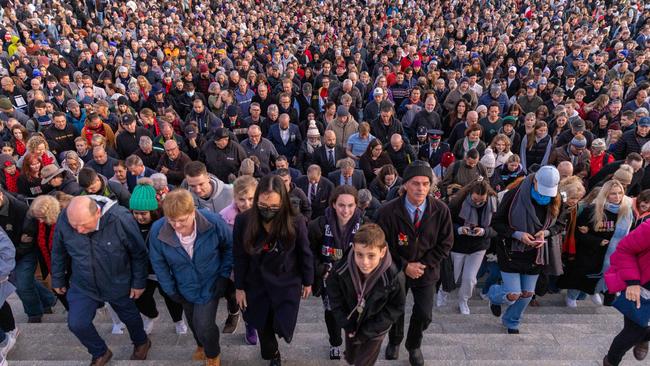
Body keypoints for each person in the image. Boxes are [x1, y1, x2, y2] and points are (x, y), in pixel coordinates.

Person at [51, 196, 151, 365]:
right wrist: (58, 277)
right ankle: (100, 352)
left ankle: (141, 342)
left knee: (130, 316)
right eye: (74, 225)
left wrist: (139, 282)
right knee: (77, 323)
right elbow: (58, 250)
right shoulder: (65, 218)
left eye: (83, 225)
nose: (79, 230)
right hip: (83, 283)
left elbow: (138, 253)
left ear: (98, 213)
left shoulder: (120, 219)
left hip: (117, 281)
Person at [377, 160, 454, 365]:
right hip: (396, 269)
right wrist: (405, 266)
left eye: (425, 184)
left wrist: (423, 265)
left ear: (430, 186)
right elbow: (380, 245)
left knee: (424, 313)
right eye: (415, 183)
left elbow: (446, 243)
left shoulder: (441, 210)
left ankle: (414, 345)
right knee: (396, 310)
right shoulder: (387, 211)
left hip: (426, 271)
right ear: (405, 185)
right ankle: (394, 341)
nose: (420, 188)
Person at [233, 175, 314, 365]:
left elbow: (305, 252)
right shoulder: (244, 220)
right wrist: (239, 287)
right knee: (262, 324)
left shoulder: (296, 220)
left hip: (286, 280)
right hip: (256, 282)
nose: (268, 211)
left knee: (282, 322)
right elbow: (239, 256)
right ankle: (273, 354)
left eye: (274, 207)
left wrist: (308, 280)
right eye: (263, 205)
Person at [149, 189, 233, 365]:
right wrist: (170, 289)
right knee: (193, 321)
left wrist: (224, 276)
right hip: (183, 285)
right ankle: (200, 345)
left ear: (192, 212)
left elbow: (229, 247)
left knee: (204, 324)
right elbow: (159, 263)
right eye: (172, 221)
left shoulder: (213, 222)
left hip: (210, 283)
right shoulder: (158, 230)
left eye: (182, 220)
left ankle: (212, 354)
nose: (177, 226)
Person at [487, 166, 563, 334]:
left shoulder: (556, 197)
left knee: (527, 293)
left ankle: (511, 321)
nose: (545, 196)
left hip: (536, 253)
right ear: (534, 180)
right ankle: (494, 295)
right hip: (511, 251)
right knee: (513, 294)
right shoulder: (513, 195)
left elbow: (560, 224)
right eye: (542, 190)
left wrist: (546, 232)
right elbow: (496, 222)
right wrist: (517, 234)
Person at [326, 223, 406, 366]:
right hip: (351, 322)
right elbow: (335, 298)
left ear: (382, 252)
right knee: (351, 357)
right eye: (359, 255)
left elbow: (396, 307)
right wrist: (346, 323)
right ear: (353, 249)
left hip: (376, 328)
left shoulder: (394, 277)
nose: (365, 262)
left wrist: (367, 331)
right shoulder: (340, 270)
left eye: (371, 255)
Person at [308, 185, 365, 360]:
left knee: (355, 313)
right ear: (333, 204)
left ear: (356, 206)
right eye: (341, 205)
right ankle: (335, 342)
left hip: (356, 281)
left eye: (350, 205)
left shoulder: (365, 225)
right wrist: (322, 269)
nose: (345, 210)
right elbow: (309, 252)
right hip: (329, 280)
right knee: (332, 314)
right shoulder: (319, 224)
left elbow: (373, 252)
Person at [558, 180, 634, 307]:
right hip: (589, 251)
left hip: (610, 254)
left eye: (620, 193)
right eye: (613, 194)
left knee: (599, 275)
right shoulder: (592, 209)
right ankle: (572, 296)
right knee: (580, 276)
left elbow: (628, 234)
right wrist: (597, 241)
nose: (618, 197)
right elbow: (578, 233)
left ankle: (594, 291)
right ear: (606, 194)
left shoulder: (626, 212)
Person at [128, 181, 187, 336]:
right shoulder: (128, 224)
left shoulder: (164, 224)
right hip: (142, 271)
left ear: (153, 211)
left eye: (143, 213)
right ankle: (151, 315)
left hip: (163, 269)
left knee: (171, 297)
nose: (139, 217)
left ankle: (178, 320)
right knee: (140, 299)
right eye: (136, 213)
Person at [444, 179, 498, 315]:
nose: (478, 203)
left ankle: (463, 300)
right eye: (475, 199)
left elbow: (497, 227)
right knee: (453, 275)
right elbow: (447, 223)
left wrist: (484, 231)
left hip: (479, 245)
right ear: (469, 194)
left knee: (470, 278)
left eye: (482, 200)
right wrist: (460, 229)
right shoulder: (458, 202)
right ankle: (442, 292)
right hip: (459, 244)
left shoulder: (493, 203)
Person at [603, 219, 650, 366]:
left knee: (642, 331)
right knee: (632, 333)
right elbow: (624, 249)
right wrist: (632, 282)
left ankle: (644, 337)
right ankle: (611, 362)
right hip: (642, 290)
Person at [219, 175, 259, 345]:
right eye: (241, 199)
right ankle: (250, 324)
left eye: (251, 199)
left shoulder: (264, 212)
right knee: (244, 301)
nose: (247, 204)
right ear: (234, 197)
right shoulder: (224, 217)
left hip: (260, 267)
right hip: (237, 269)